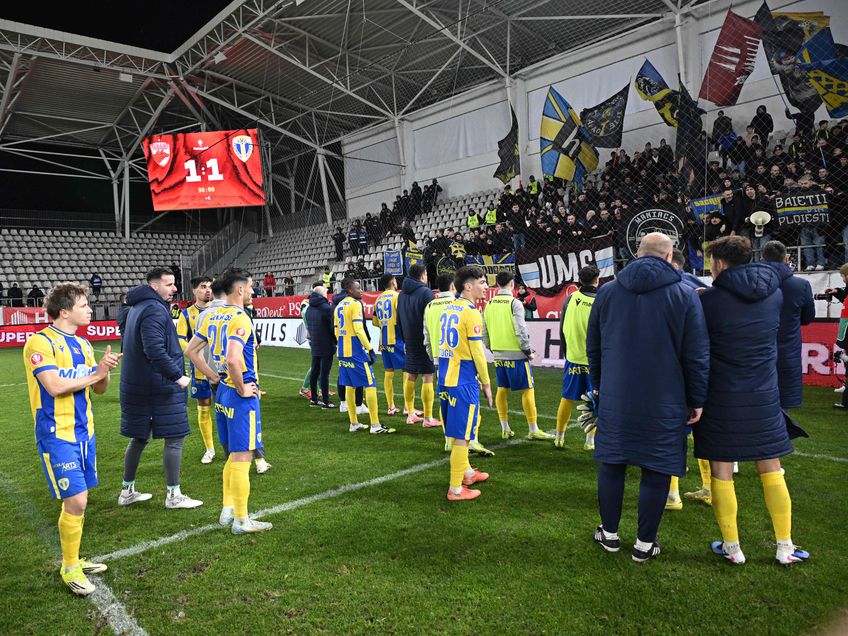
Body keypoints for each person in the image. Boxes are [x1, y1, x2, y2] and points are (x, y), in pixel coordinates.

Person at [587, 233, 709, 562]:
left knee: (612, 463)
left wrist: (598, 385)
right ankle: (644, 544)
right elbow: (696, 354)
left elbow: (593, 346)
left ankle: (609, 534)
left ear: (637, 254)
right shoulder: (685, 294)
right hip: (666, 397)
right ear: (670, 257)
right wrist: (697, 398)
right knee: (656, 468)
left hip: (616, 395)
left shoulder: (608, 291)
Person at [695, 236, 808, 566]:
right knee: (771, 466)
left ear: (719, 263)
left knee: (721, 469)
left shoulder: (709, 301)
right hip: (763, 393)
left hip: (721, 395)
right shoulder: (774, 294)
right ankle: (785, 547)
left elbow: (700, 350)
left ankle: (733, 548)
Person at [23, 283, 122, 596]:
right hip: (56, 434)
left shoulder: (83, 344)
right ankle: (69, 567)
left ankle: (74, 557)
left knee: (80, 500)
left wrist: (103, 371)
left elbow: (100, 390)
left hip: (84, 432)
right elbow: (53, 386)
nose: (90, 309)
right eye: (84, 305)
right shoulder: (39, 343)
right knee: (76, 500)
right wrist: (96, 373)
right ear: (64, 311)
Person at [192, 268, 272, 534]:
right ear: (239, 289)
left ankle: (228, 510)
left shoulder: (210, 314)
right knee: (242, 456)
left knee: (232, 456)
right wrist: (241, 388)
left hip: (222, 393)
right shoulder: (241, 317)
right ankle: (241, 519)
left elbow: (191, 351)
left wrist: (213, 376)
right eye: (250, 287)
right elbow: (234, 358)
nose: (253, 291)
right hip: (238, 394)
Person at [118, 267, 202, 510]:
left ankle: (127, 491)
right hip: (158, 387)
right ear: (155, 287)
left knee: (139, 437)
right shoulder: (154, 309)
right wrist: (179, 377)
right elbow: (154, 350)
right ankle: (173, 495)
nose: (175, 289)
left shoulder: (136, 306)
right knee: (174, 438)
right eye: (169, 284)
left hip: (139, 384)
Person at [439, 266, 493, 501]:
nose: (485, 287)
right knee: (462, 435)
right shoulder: (471, 312)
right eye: (482, 282)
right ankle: (456, 489)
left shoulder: (447, 308)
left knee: (460, 431)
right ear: (468, 286)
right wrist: (486, 382)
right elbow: (477, 352)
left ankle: (468, 472)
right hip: (463, 380)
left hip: (445, 377)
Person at [483, 271, 553, 442]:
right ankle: (533, 429)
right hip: (516, 354)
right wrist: (528, 351)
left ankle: (505, 428)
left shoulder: (489, 303)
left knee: (502, 389)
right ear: (512, 283)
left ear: (497, 284)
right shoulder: (514, 303)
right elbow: (521, 330)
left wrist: (492, 349)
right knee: (527, 389)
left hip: (498, 355)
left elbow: (484, 332)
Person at [334, 278, 395, 434]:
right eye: (357, 288)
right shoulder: (355, 305)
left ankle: (353, 423)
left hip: (342, 350)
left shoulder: (339, 306)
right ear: (349, 291)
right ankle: (375, 425)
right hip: (355, 351)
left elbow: (335, 331)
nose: (360, 290)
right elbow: (359, 329)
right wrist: (369, 348)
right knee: (370, 384)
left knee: (350, 385)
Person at [762, 241, 815, 410]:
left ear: (763, 258)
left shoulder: (753, 283)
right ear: (786, 259)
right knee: (784, 405)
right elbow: (807, 318)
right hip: (787, 348)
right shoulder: (801, 285)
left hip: (758, 347)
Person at [555, 266, 599, 451]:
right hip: (593, 361)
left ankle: (559, 437)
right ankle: (590, 441)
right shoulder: (600, 302)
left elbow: (562, 327)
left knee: (567, 398)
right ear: (597, 280)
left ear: (580, 281)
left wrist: (566, 353)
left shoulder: (570, 299)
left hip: (572, 357)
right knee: (595, 402)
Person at [176, 276, 216, 464]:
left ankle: (232, 445)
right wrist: (194, 354)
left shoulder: (220, 310)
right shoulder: (186, 314)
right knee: (204, 407)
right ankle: (210, 448)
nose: (208, 290)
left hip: (221, 368)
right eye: (203, 287)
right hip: (200, 369)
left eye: (210, 287)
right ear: (194, 291)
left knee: (227, 408)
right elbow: (180, 338)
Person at [398, 264, 437, 426]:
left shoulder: (401, 294)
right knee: (428, 376)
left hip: (409, 339)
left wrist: (404, 338)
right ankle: (428, 418)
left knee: (411, 374)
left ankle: (411, 413)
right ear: (422, 276)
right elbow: (430, 318)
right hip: (423, 339)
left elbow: (399, 318)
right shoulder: (425, 292)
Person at [423, 274, 457, 451]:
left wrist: (432, 356)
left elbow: (426, 337)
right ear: (453, 286)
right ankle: (467, 438)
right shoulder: (459, 305)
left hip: (438, 360)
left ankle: (447, 439)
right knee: (461, 401)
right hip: (458, 360)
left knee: (444, 399)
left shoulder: (430, 306)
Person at [372, 274, 406, 416]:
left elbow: (374, 321)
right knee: (407, 371)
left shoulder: (378, 299)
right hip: (397, 338)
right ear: (393, 282)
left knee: (389, 371)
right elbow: (402, 316)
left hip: (384, 340)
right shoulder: (397, 296)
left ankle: (391, 406)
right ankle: (407, 407)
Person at [306, 282, 336, 408]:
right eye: (325, 291)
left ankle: (314, 398)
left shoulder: (309, 308)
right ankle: (325, 401)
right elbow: (331, 327)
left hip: (315, 343)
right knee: (324, 374)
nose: (326, 292)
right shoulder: (326, 308)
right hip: (326, 344)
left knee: (315, 371)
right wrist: (335, 340)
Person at [298, 294, 313, 400]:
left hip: (312, 336)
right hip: (313, 337)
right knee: (316, 365)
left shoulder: (305, 306)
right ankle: (304, 388)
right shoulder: (307, 307)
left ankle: (319, 388)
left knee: (318, 365)